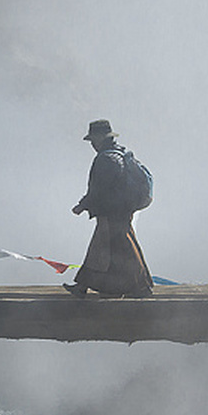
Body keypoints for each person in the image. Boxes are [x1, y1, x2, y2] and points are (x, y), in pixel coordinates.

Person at [67, 118, 153, 298]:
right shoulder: (120, 154)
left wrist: (82, 205)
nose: (92, 145)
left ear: (99, 139)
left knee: (122, 249)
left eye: (92, 141)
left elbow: (98, 189)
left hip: (112, 212)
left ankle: (141, 287)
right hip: (121, 210)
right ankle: (85, 286)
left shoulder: (105, 159)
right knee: (106, 248)